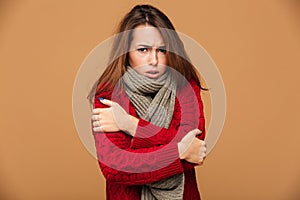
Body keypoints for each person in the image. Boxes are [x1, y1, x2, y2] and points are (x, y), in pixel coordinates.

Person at [89, 4, 207, 200]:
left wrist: (131, 125)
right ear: (125, 51)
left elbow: (195, 149)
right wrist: (178, 151)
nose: (153, 59)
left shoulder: (185, 85)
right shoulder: (108, 93)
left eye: (161, 50)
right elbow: (115, 169)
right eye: (143, 49)